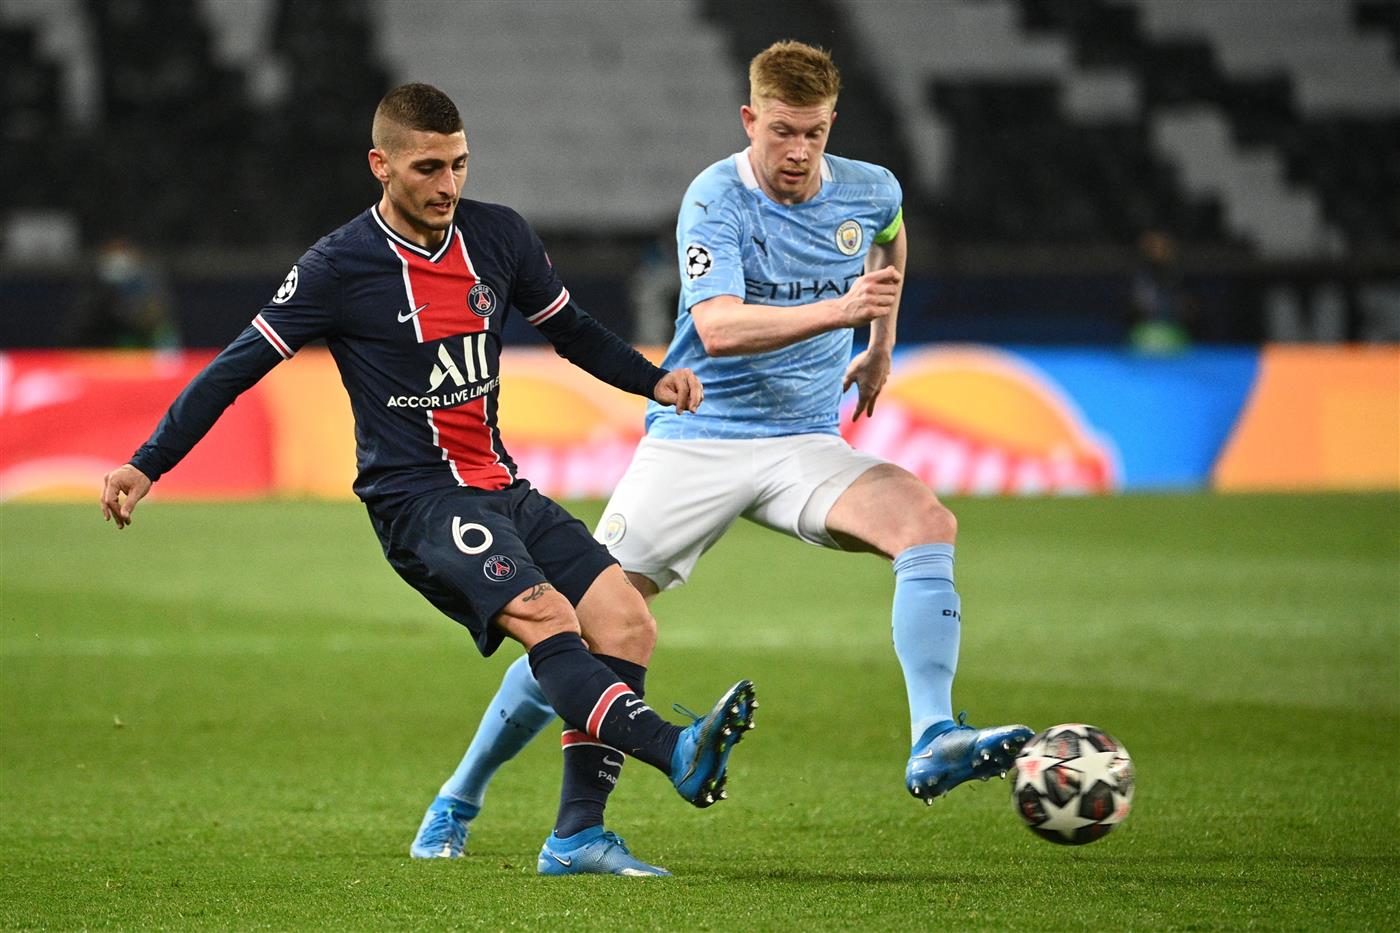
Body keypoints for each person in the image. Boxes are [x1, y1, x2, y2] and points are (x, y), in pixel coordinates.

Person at [99, 83, 758, 878]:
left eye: (460, 164)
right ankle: (674, 748)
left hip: (499, 484)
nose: (449, 185)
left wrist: (650, 379)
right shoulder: (339, 266)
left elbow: (571, 331)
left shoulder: (499, 235)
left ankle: (577, 836)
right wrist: (148, 461)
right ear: (381, 166)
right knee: (546, 614)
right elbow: (237, 367)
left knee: (625, 623)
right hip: (418, 501)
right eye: (428, 168)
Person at [409, 41, 1032, 860]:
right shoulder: (715, 197)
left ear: (832, 125)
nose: (798, 151)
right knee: (587, 625)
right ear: (750, 119)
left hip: (803, 440)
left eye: (813, 133)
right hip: (698, 439)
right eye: (782, 131)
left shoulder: (870, 187)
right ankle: (459, 796)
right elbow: (719, 327)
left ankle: (933, 734)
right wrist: (844, 312)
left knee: (925, 521)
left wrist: (881, 343)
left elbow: (891, 240)